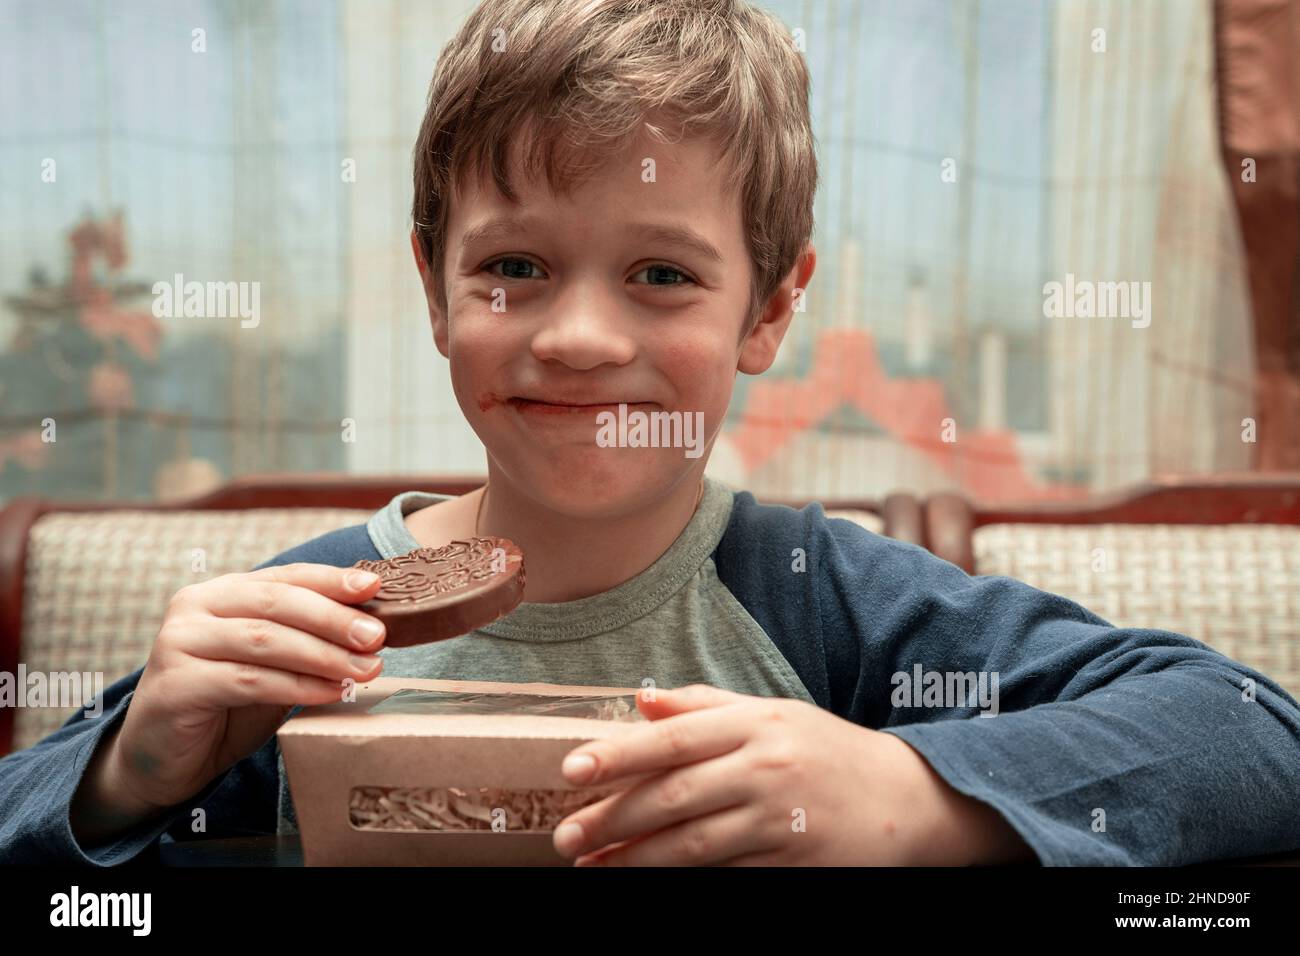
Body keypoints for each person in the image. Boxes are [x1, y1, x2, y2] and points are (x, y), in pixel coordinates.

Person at [4, 0, 1299, 866]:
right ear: (432, 288)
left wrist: (907, 798)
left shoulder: (826, 605)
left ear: (770, 309)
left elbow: (1249, 731)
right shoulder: (314, 621)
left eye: (663, 277)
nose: (576, 337)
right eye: (512, 265)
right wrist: (128, 771)